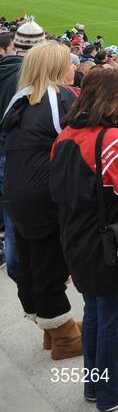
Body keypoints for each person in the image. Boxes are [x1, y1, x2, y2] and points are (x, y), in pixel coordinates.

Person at [49, 67, 118, 411]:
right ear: (117, 100)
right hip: (107, 247)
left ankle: (95, 386)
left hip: (74, 241)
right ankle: (115, 389)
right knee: (112, 320)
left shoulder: (65, 134)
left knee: (95, 314)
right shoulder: (113, 140)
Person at [1, 41, 80, 358]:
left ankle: (53, 327)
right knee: (50, 262)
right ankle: (63, 336)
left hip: (17, 193)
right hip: (45, 196)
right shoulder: (58, 98)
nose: (74, 68)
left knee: (32, 260)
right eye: (68, 63)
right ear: (56, 69)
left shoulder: (21, 99)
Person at [0, 17, 46, 281]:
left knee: (11, 208)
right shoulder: (29, 78)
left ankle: (18, 265)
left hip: (8, 150)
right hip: (22, 153)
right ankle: (23, 269)